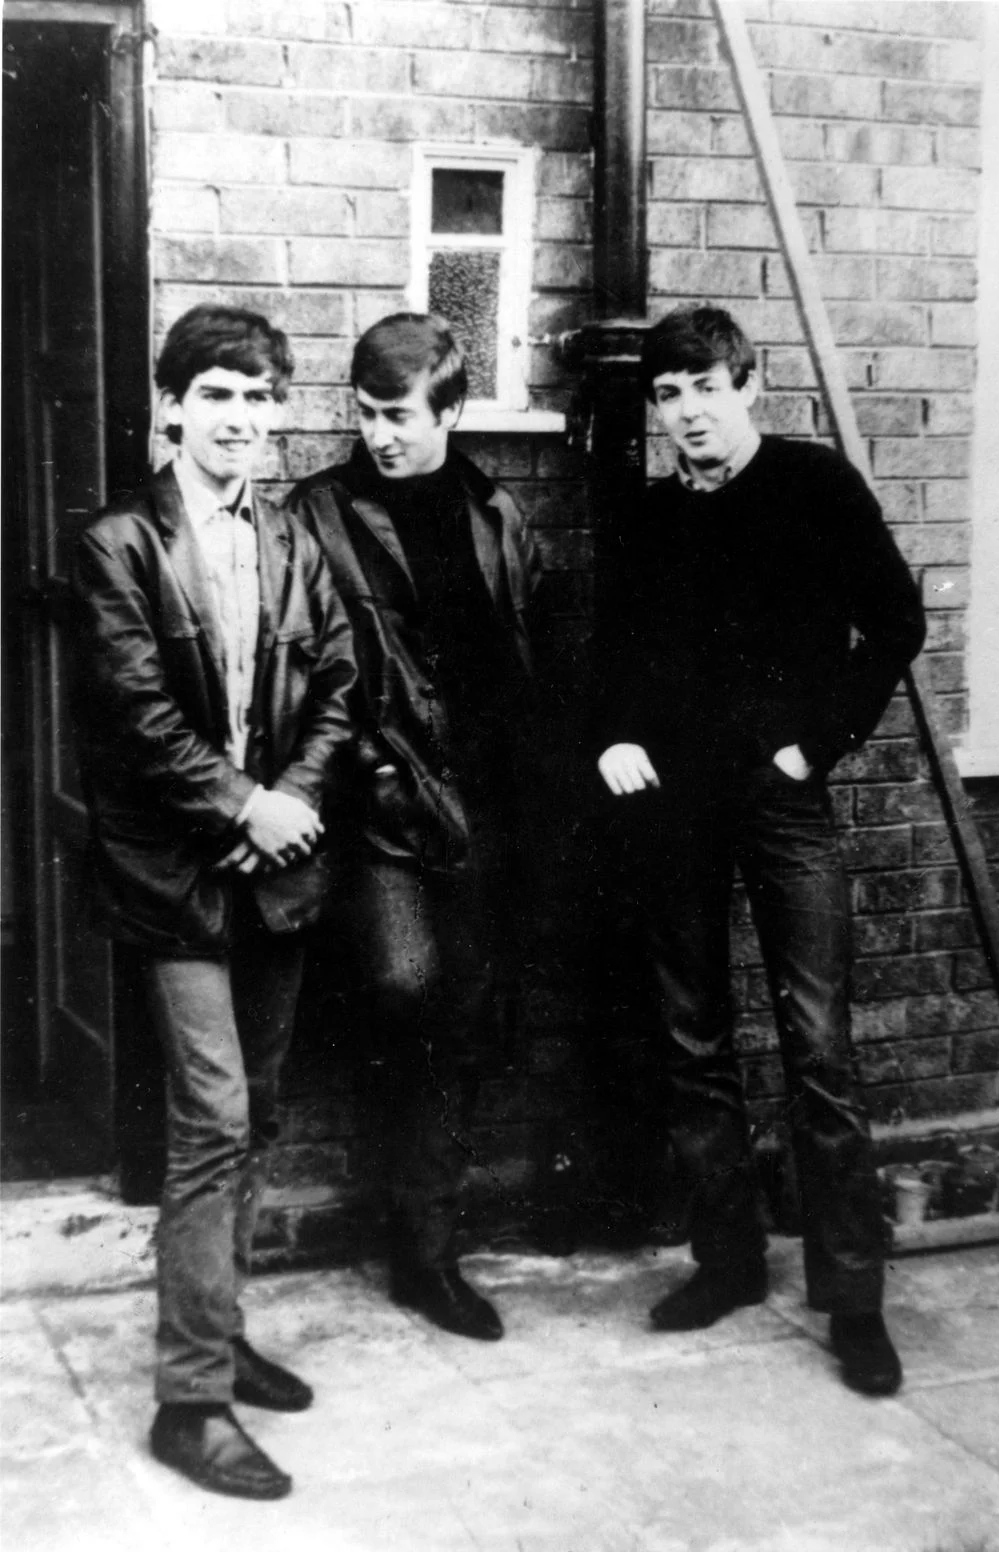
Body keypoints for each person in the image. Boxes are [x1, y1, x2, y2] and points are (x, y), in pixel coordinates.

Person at [593, 304, 926, 1396]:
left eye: (704, 387)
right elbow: (611, 647)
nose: (687, 410)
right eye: (667, 393)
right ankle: (727, 1261)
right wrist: (615, 736)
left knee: (817, 1045)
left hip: (780, 803)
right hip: (674, 806)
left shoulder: (811, 485)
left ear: (748, 386)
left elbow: (894, 621)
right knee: (693, 1038)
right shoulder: (647, 515)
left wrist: (813, 746)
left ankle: (853, 1300)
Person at [71, 304, 358, 1499]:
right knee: (212, 1117)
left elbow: (340, 683)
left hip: (274, 870)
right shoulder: (119, 544)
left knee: (263, 1107)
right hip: (176, 878)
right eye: (218, 395)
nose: (239, 418)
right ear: (172, 405)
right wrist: (245, 806)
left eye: (258, 396)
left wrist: (286, 800)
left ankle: (221, 1322)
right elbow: (137, 723)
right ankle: (190, 1400)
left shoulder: (290, 534)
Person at [290, 313, 541, 1342]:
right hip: (380, 807)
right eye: (365, 413)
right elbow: (306, 664)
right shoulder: (319, 511)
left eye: (398, 416)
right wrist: (370, 771)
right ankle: (415, 1234)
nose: (380, 435)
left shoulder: (495, 513)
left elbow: (520, 660)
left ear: (450, 412)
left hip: (480, 807)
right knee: (404, 984)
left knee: (464, 1009)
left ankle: (427, 1252)